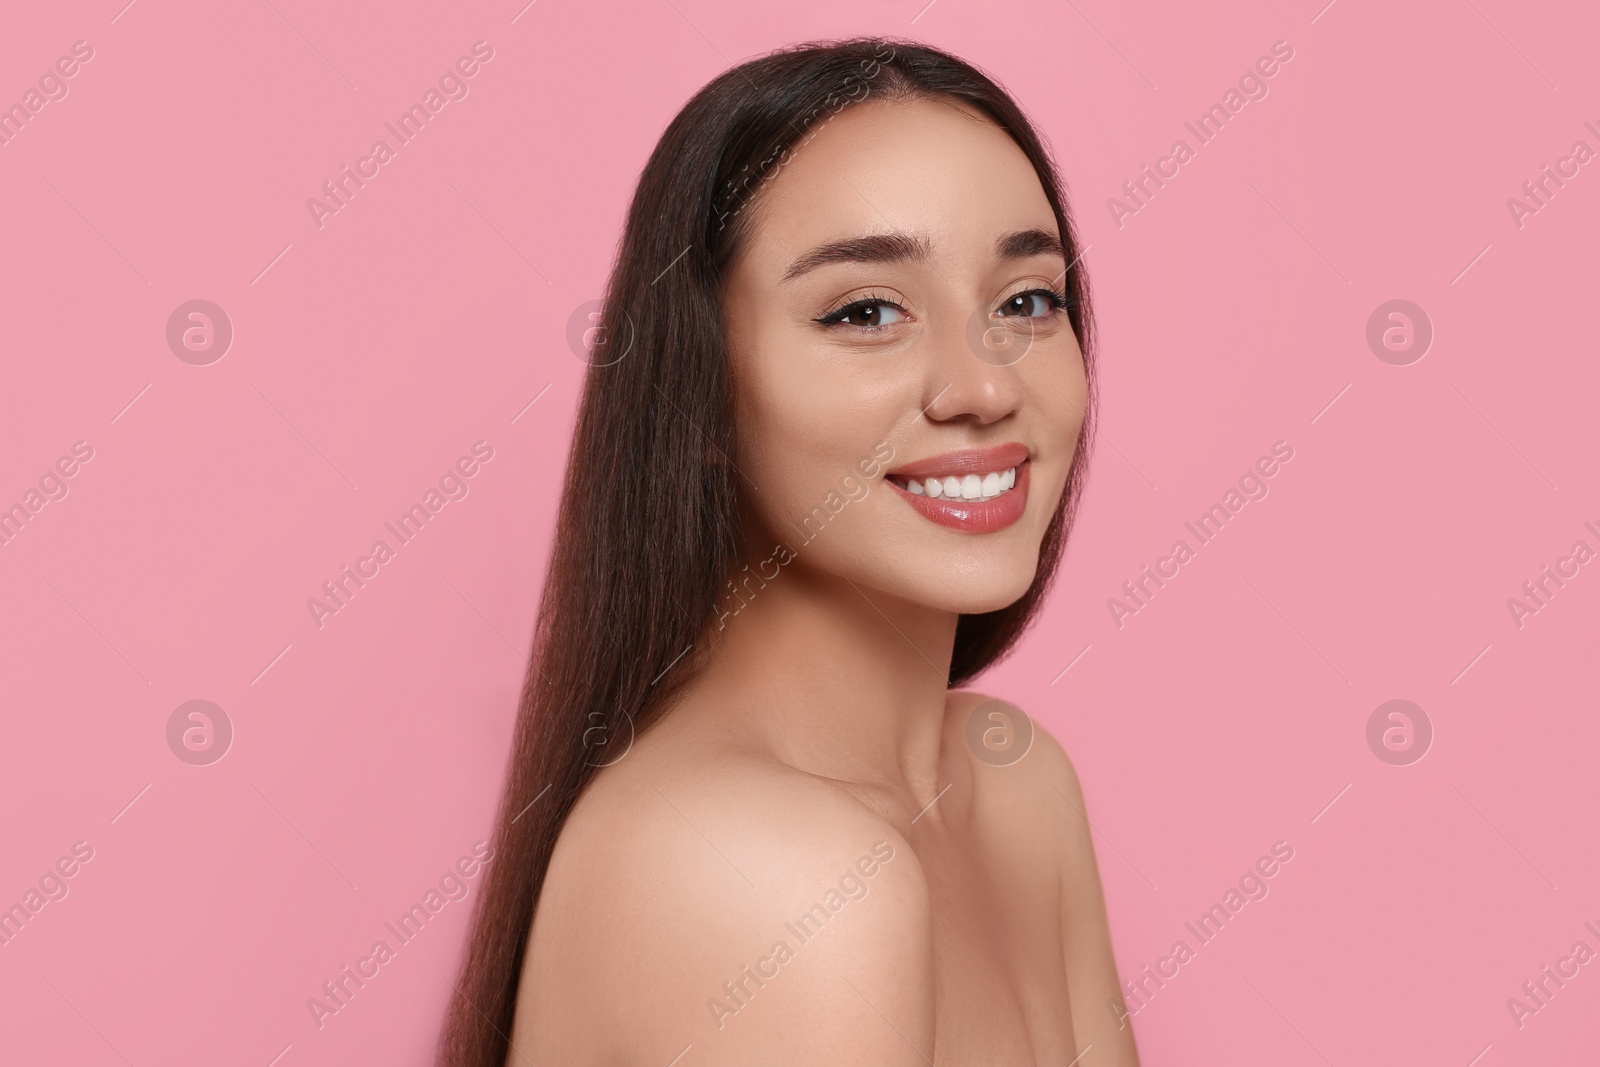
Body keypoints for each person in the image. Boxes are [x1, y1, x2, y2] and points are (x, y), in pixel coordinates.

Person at [441, 36, 1138, 1066]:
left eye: (1025, 300)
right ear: (705, 387)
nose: (984, 386)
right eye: (865, 311)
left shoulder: (1018, 789)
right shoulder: (776, 874)